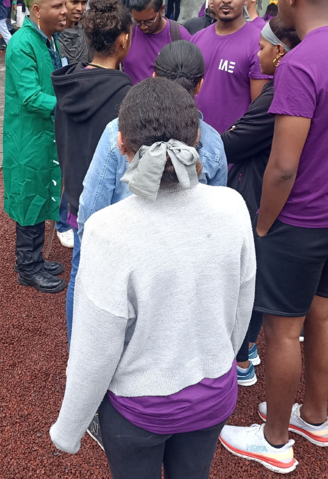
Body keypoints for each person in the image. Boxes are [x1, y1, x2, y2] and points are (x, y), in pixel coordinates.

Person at [218, 0, 328, 474]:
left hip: (304, 218)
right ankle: (314, 416)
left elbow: (282, 167)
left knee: (283, 332)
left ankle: (274, 440)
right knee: (322, 316)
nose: (275, 4)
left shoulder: (300, 62)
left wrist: (264, 225)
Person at [50, 78, 255, 479]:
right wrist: (216, 360)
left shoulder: (108, 230)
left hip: (139, 409)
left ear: (120, 143)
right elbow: (241, 305)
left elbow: (96, 350)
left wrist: (69, 430)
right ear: (197, 139)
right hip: (214, 393)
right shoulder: (232, 206)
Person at [69, 40, 229, 344]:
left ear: (154, 77)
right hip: (179, 264)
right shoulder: (212, 142)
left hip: (117, 253)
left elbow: (92, 202)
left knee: (98, 323)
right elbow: (213, 216)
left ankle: (79, 348)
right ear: (200, 85)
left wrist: (90, 245)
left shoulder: (118, 130)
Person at [221, 18, 301, 388]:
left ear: (279, 52)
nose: (258, 54)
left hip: (257, 193)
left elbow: (235, 143)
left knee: (248, 276)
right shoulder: (288, 85)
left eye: (262, 47)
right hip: (270, 193)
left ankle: (240, 358)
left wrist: (214, 137)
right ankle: (248, 348)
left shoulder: (277, 92)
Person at [52, 0, 133, 281]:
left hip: (76, 196)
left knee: (80, 269)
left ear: (88, 38)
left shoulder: (69, 84)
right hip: (111, 206)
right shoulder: (126, 97)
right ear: (124, 40)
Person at [3, 0, 69, 293]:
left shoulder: (47, 39)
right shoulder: (22, 44)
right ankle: (27, 267)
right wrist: (71, 107)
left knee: (41, 190)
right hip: (28, 136)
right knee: (29, 194)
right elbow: (30, 97)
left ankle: (35, 259)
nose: (65, 11)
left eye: (64, 4)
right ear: (37, 10)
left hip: (43, 133)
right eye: (58, 6)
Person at [190, 0, 270, 133]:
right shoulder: (196, 39)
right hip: (194, 141)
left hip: (233, 146)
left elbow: (258, 111)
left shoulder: (258, 44)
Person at [122, 0, 191, 85]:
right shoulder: (127, 33)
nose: (143, 27)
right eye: (137, 21)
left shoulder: (179, 36)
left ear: (162, 9)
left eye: (149, 21)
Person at [57, 0, 91, 66]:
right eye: (74, 2)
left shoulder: (89, 31)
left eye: (83, 3)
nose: (80, 8)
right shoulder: (51, 34)